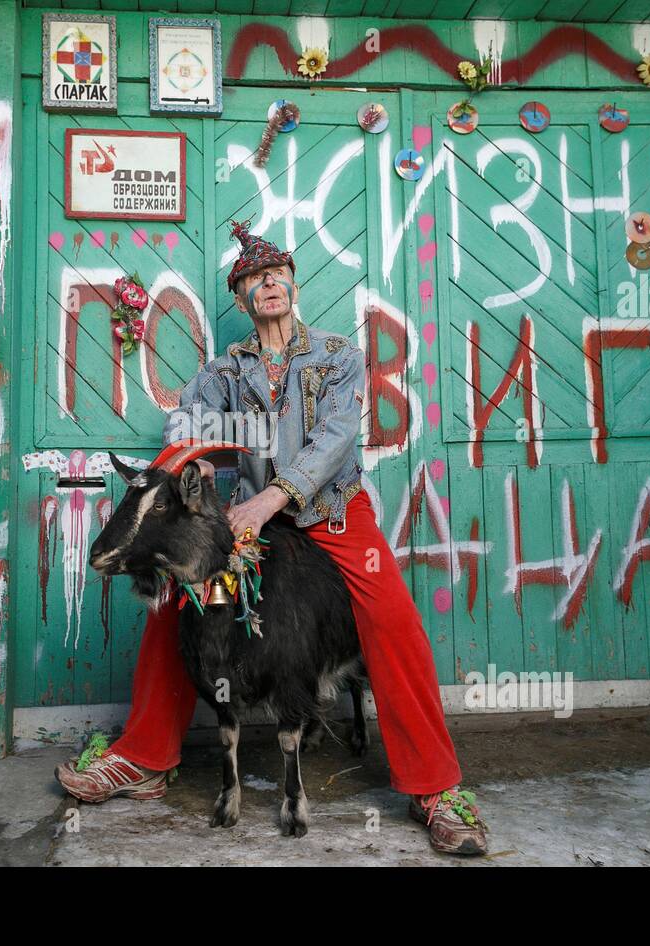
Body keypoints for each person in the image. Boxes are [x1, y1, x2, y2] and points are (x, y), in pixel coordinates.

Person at [56, 221, 489, 855]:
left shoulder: (339, 354)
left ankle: (435, 789)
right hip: (246, 520)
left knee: (391, 619)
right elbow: (187, 431)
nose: (268, 284)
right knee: (177, 603)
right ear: (240, 300)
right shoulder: (224, 372)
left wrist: (271, 497)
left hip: (333, 512)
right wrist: (194, 471)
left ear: (293, 283)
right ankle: (144, 759)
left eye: (276, 273)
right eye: (253, 279)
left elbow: (337, 438)